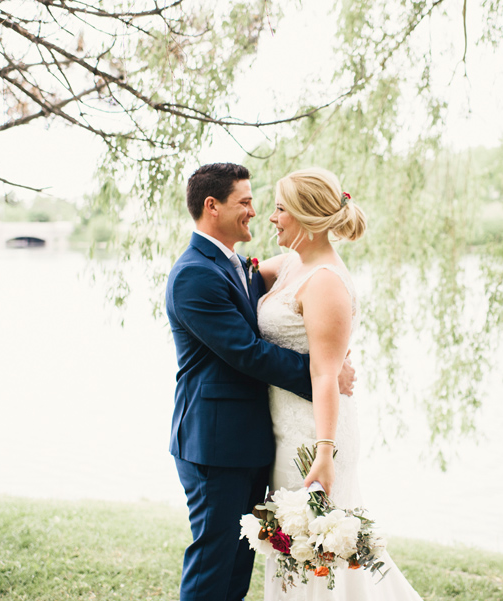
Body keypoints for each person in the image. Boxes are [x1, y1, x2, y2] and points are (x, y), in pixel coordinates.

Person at [165, 163, 355, 601]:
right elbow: (246, 352)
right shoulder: (195, 274)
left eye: (266, 204)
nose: (256, 212)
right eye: (246, 202)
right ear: (212, 207)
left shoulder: (239, 265)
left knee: (238, 570)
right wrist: (322, 373)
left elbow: (305, 277)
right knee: (213, 568)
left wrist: (328, 358)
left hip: (255, 442)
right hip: (215, 444)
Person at [256, 167, 423, 599]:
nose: (272, 219)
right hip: (287, 431)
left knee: (316, 558)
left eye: (279, 209)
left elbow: (325, 373)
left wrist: (325, 453)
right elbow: (247, 270)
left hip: (314, 440)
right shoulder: (295, 263)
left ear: (306, 217)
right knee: (295, 553)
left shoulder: (326, 281)